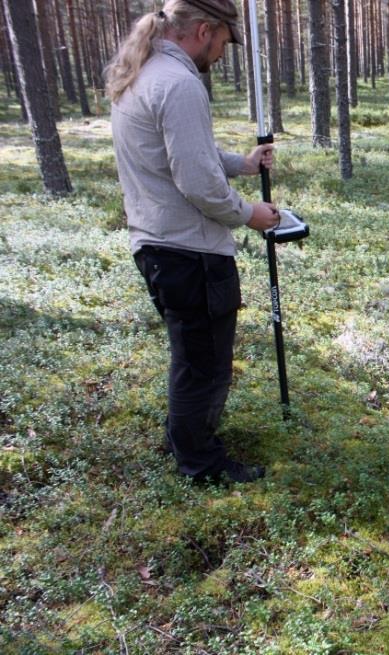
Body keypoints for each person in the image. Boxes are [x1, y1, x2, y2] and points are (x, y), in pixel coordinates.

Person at [105, 0, 279, 483]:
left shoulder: (146, 73)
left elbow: (187, 153)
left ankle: (184, 439)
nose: (222, 53)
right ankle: (201, 464)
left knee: (192, 356)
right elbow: (197, 182)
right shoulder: (180, 84)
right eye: (223, 41)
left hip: (161, 247)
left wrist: (242, 165)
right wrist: (250, 214)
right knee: (203, 364)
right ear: (204, 30)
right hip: (190, 252)